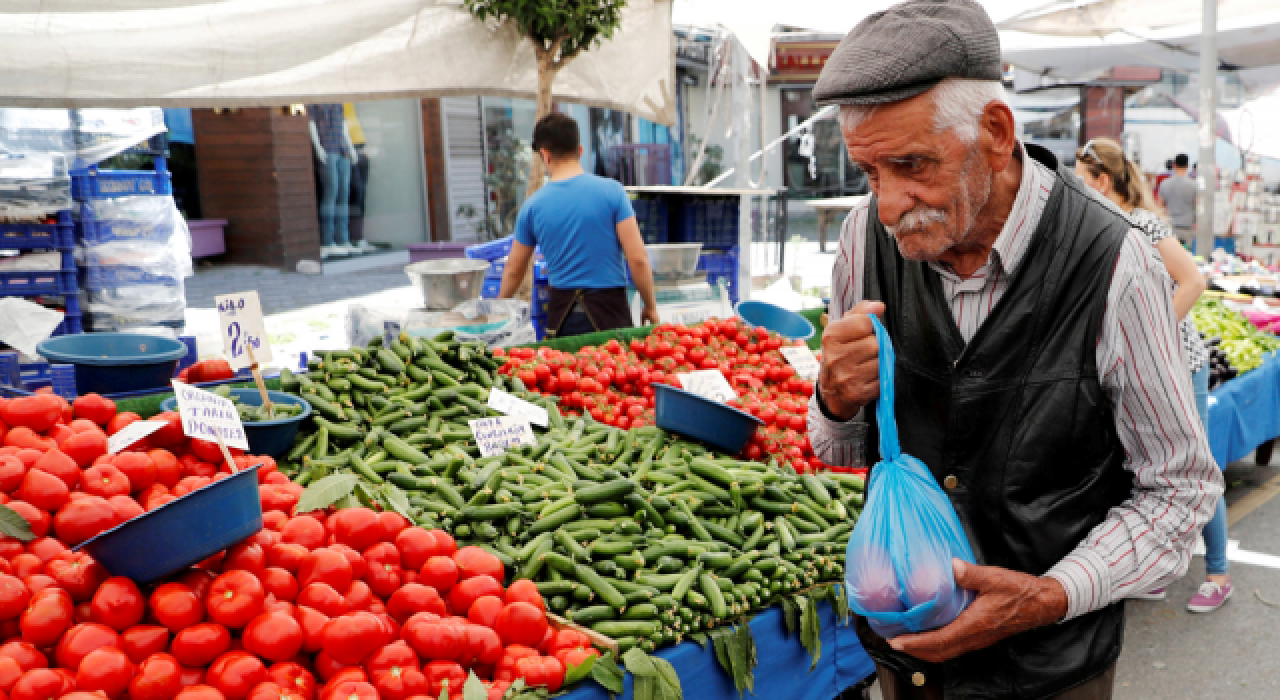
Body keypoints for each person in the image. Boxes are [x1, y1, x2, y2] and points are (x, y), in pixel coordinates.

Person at [809, 1, 1222, 698]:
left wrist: (1050, 595)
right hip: (906, 664)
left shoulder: (1113, 263)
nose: (886, 205)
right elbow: (838, 447)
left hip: (1050, 672)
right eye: (870, 173)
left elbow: (1180, 490)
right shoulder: (863, 239)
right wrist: (835, 397)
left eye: (912, 165)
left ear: (996, 133)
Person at [1075, 138, 1228, 613]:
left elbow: (1194, 281)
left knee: (1191, 466)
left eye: (1082, 181)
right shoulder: (1098, 227)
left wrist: (1150, 338)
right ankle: (1157, 569)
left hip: (1181, 365)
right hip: (1137, 370)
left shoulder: (1141, 223)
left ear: (1102, 182)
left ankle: (1219, 573)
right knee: (1143, 465)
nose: (1076, 192)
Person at [499, 113, 659, 336]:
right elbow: (639, 260)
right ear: (580, 151)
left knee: (569, 370)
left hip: (562, 320)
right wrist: (650, 306)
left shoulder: (532, 207)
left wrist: (497, 310)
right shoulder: (613, 192)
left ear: (544, 155)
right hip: (611, 316)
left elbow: (514, 271)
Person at [307, 103, 358, 258]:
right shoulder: (313, 101)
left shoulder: (338, 101)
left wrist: (351, 147)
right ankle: (327, 242)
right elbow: (311, 123)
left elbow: (343, 125)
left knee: (344, 194)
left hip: (343, 149)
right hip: (327, 148)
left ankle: (343, 240)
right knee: (331, 193)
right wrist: (318, 147)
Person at [1158, 153, 1197, 244]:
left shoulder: (1164, 184)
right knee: (1186, 254)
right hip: (1187, 226)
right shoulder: (1193, 185)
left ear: (1174, 165)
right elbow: (1198, 205)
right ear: (1187, 166)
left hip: (1170, 226)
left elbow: (1160, 206)